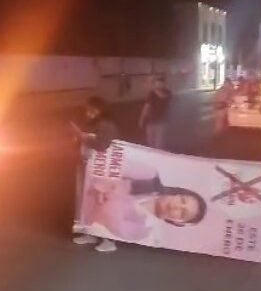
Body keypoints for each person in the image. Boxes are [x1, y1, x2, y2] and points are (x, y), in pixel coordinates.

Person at [81, 161, 207, 242]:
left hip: (79, 210)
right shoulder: (149, 175)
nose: (177, 206)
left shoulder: (142, 231)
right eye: (182, 200)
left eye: (182, 213)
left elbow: (111, 220)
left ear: (178, 222)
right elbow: (112, 165)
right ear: (177, 193)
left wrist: (111, 191)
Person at [71, 96, 120, 252]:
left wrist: (84, 138)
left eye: (89, 109)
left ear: (97, 110)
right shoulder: (94, 123)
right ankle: (90, 232)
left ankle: (108, 240)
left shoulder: (106, 124)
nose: (87, 112)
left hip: (100, 169)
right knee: (88, 201)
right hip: (88, 166)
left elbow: (102, 144)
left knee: (100, 201)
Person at [139, 76, 172, 149]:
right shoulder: (151, 94)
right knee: (151, 143)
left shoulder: (168, 93)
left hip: (161, 122)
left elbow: (163, 97)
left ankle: (159, 155)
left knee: (159, 144)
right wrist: (142, 119)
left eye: (161, 83)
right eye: (157, 83)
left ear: (164, 84)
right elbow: (146, 107)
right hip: (150, 121)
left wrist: (154, 89)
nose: (159, 85)